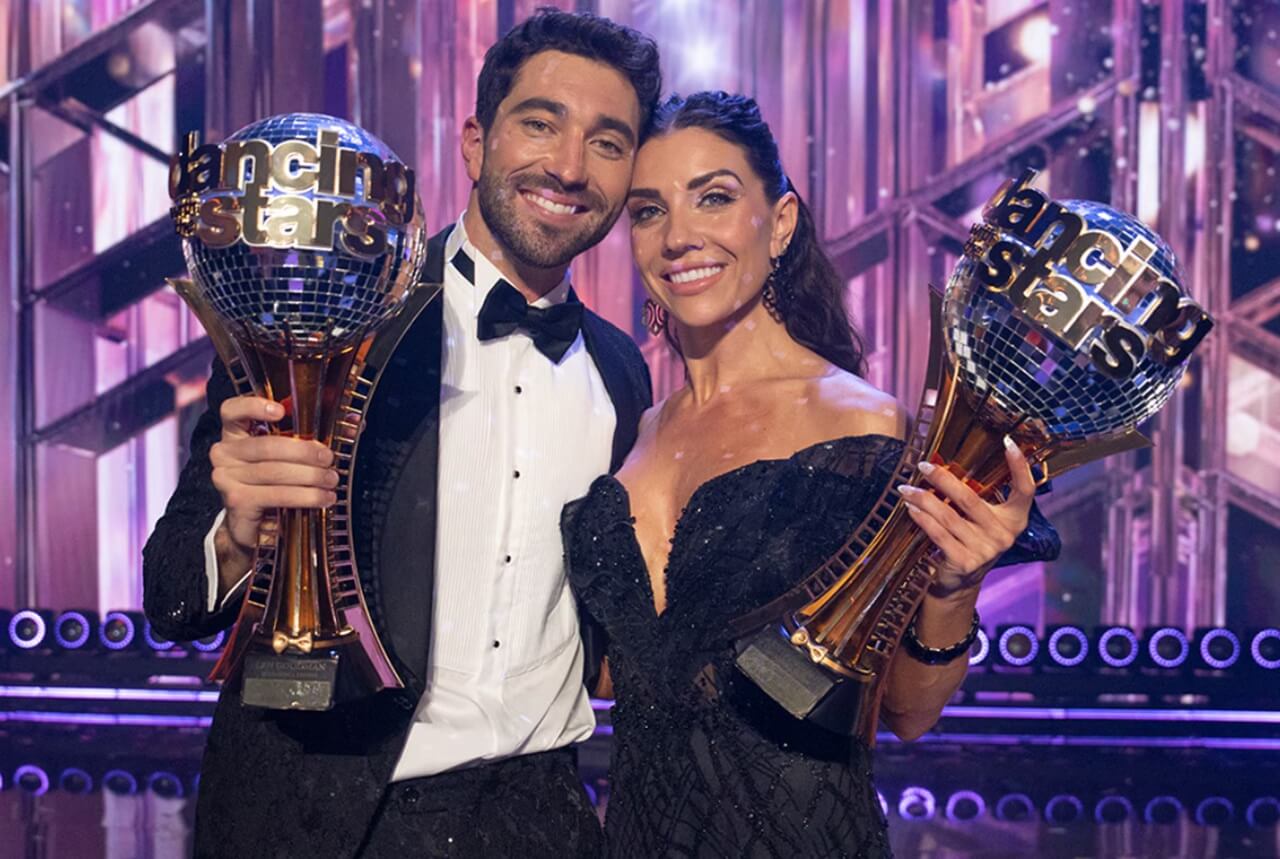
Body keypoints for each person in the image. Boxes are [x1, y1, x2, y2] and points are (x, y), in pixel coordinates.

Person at [143, 10, 660, 858]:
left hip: (543, 819)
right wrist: (237, 537)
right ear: (474, 142)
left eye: (608, 142)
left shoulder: (620, 371)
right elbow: (172, 595)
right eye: (540, 123)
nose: (568, 166)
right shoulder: (328, 313)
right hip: (322, 813)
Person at [561, 91, 1061, 857]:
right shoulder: (637, 427)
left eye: (714, 198)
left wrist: (954, 590)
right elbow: (617, 675)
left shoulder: (861, 425)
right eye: (649, 211)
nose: (678, 237)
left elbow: (906, 710)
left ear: (782, 221)